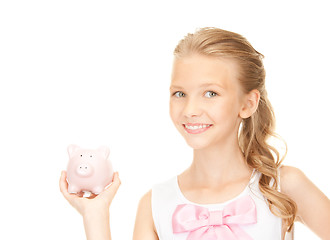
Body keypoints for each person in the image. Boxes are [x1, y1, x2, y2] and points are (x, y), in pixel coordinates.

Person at [59, 27, 330, 240]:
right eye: (180, 93)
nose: (190, 109)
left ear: (248, 104)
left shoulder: (282, 186)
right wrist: (95, 215)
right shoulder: (156, 203)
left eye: (210, 93)